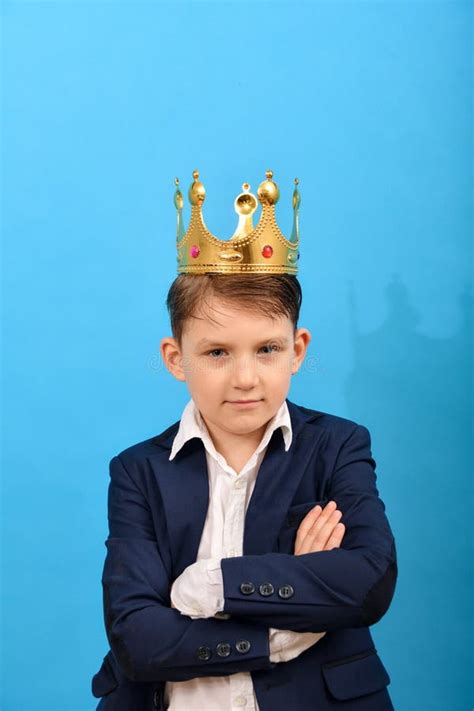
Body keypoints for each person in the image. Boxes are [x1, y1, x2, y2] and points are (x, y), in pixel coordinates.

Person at [91, 170, 398, 710]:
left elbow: (368, 580)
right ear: (175, 358)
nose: (245, 378)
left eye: (267, 350)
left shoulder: (337, 447)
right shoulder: (138, 471)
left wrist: (210, 586)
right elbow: (138, 639)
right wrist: (285, 624)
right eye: (216, 353)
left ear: (297, 350)